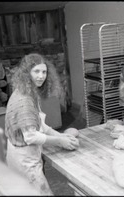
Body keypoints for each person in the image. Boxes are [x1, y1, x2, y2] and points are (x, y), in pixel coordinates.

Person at [5, 53, 79, 195]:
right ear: (27, 73)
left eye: (44, 72)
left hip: (23, 153)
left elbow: (40, 123)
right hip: (23, 158)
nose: (41, 76)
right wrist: (59, 141)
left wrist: (61, 136)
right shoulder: (24, 100)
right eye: (36, 71)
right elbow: (30, 137)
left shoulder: (29, 92)